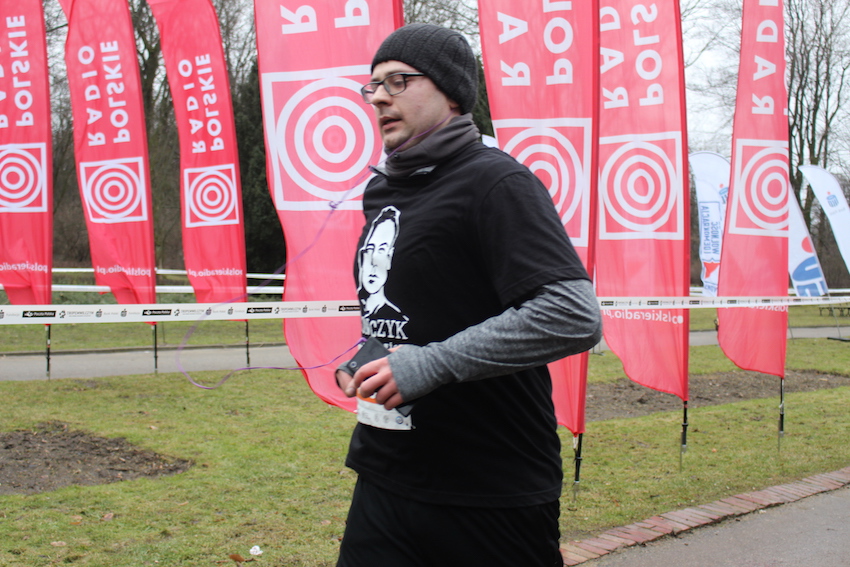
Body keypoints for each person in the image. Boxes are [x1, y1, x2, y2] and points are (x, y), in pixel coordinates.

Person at [335, 23, 603, 567]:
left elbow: (572, 314)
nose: (379, 97)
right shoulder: (383, 189)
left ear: (452, 92)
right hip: (386, 473)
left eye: (398, 81)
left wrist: (429, 365)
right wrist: (370, 362)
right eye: (373, 85)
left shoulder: (496, 182)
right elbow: (409, 307)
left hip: (488, 487)